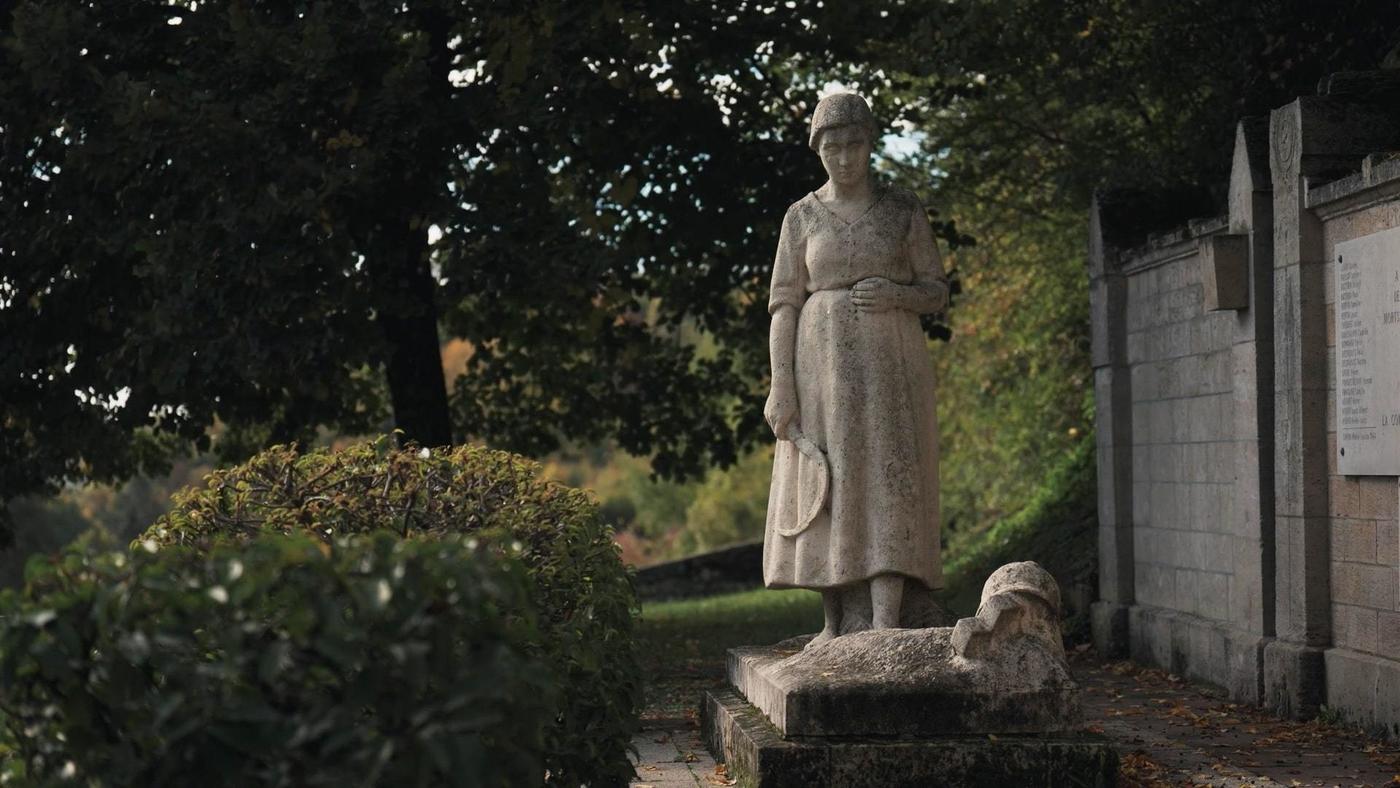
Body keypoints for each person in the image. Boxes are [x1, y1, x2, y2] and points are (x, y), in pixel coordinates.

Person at [763, 92, 948, 648]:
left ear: (871, 144)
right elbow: (783, 303)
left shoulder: (901, 209)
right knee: (829, 479)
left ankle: (888, 619)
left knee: (888, 474)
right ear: (818, 149)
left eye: (855, 145)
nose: (844, 158)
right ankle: (836, 620)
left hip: (891, 362)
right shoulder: (801, 216)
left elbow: (936, 289)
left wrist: (897, 294)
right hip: (818, 366)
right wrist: (781, 383)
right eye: (833, 147)